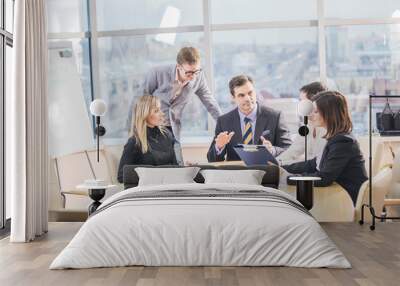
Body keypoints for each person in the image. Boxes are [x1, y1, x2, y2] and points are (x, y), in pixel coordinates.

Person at [127, 47, 222, 163]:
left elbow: (209, 101)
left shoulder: (198, 77)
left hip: (173, 129)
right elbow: (138, 100)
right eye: (189, 72)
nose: (193, 76)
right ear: (178, 67)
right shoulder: (158, 73)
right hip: (151, 129)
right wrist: (131, 128)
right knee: (153, 164)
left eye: (196, 71)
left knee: (178, 164)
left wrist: (223, 123)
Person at [283, 91, 368, 205]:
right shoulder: (335, 137)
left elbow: (324, 178)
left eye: (316, 111)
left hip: (347, 200)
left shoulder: (343, 142)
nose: (311, 114)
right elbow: (314, 164)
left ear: (330, 114)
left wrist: (288, 179)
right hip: (338, 194)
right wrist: (283, 169)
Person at [207, 75, 292, 162]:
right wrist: (219, 147)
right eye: (241, 95)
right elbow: (211, 160)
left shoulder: (275, 117)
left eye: (250, 93)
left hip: (267, 172)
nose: (247, 98)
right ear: (233, 98)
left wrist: (272, 150)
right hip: (237, 173)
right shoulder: (224, 121)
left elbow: (290, 151)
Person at [118, 95, 177, 183]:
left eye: (160, 109)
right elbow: (121, 176)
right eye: (156, 111)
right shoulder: (134, 142)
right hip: (147, 191)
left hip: (168, 187)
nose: (162, 113)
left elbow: (175, 166)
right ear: (145, 114)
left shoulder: (167, 135)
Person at [276, 82, 328, 165]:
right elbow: (294, 150)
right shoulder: (308, 126)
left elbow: (316, 162)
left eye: (302, 102)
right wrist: (275, 162)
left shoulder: (326, 128)